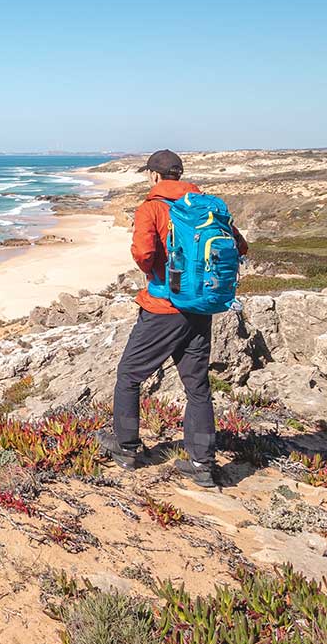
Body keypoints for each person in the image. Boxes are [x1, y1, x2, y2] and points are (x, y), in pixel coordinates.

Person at [99, 149, 247, 487]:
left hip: (163, 309)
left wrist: (157, 275)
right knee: (197, 387)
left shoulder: (152, 207)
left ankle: (126, 448)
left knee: (129, 376)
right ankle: (203, 465)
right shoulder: (207, 206)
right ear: (178, 175)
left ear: (153, 175)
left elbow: (144, 252)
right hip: (201, 306)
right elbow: (240, 247)